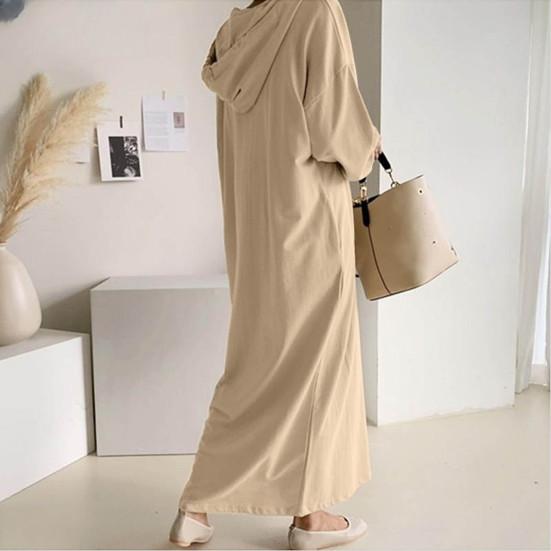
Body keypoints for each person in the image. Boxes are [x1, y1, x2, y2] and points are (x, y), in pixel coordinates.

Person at [169, 0, 382, 548]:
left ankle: (197, 508)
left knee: (254, 367)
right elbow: (337, 126)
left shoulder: (234, 32)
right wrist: (369, 149)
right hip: (309, 229)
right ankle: (311, 520)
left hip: (254, 232)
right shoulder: (316, 12)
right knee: (319, 371)